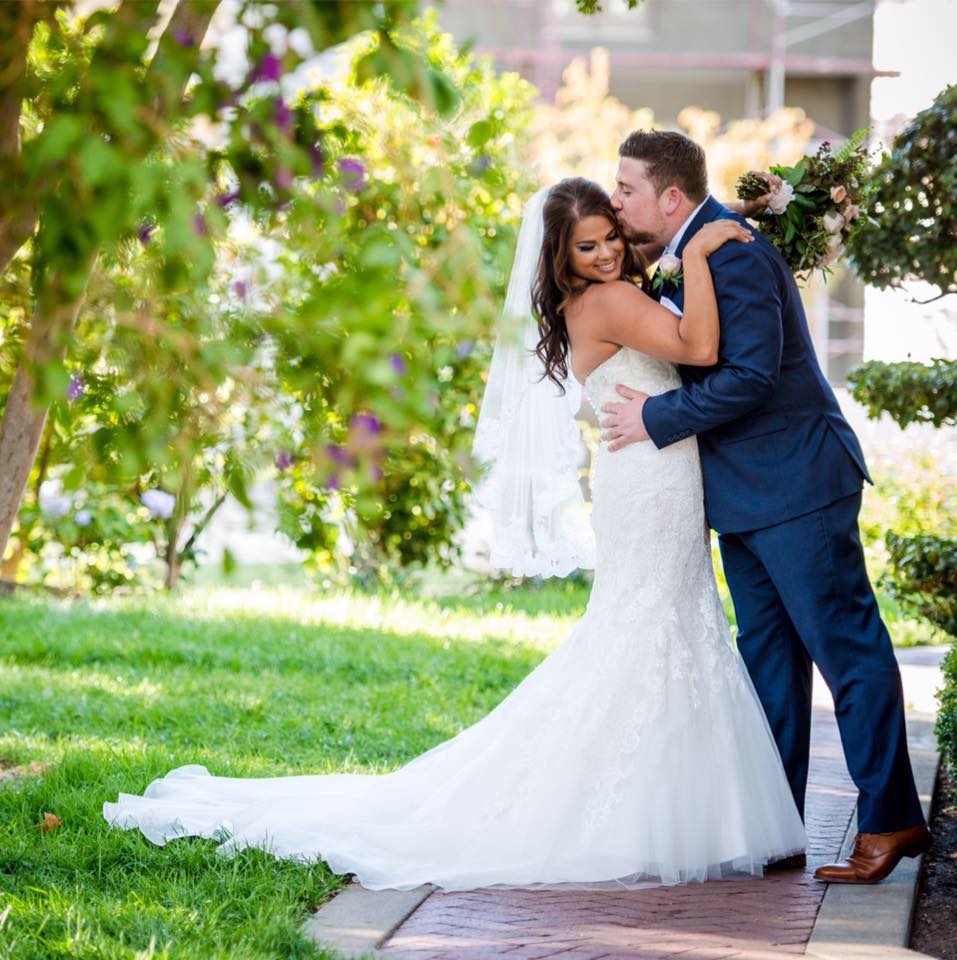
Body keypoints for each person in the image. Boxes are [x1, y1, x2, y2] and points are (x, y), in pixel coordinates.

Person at [102, 177, 808, 892]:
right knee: (651, 630)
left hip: (648, 475)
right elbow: (697, 343)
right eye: (585, 247)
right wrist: (703, 249)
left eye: (610, 238)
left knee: (661, 627)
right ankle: (633, 809)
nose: (602, 254)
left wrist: (700, 233)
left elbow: (658, 311)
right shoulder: (610, 299)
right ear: (560, 257)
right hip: (651, 482)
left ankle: (657, 804)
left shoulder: (595, 298)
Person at [598, 130, 930, 884]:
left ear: (670, 197)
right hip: (744, 498)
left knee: (846, 651)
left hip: (797, 483)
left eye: (625, 189)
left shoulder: (734, 253)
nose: (615, 201)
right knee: (770, 668)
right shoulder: (688, 254)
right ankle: (776, 827)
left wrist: (652, 422)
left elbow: (749, 377)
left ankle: (891, 819)